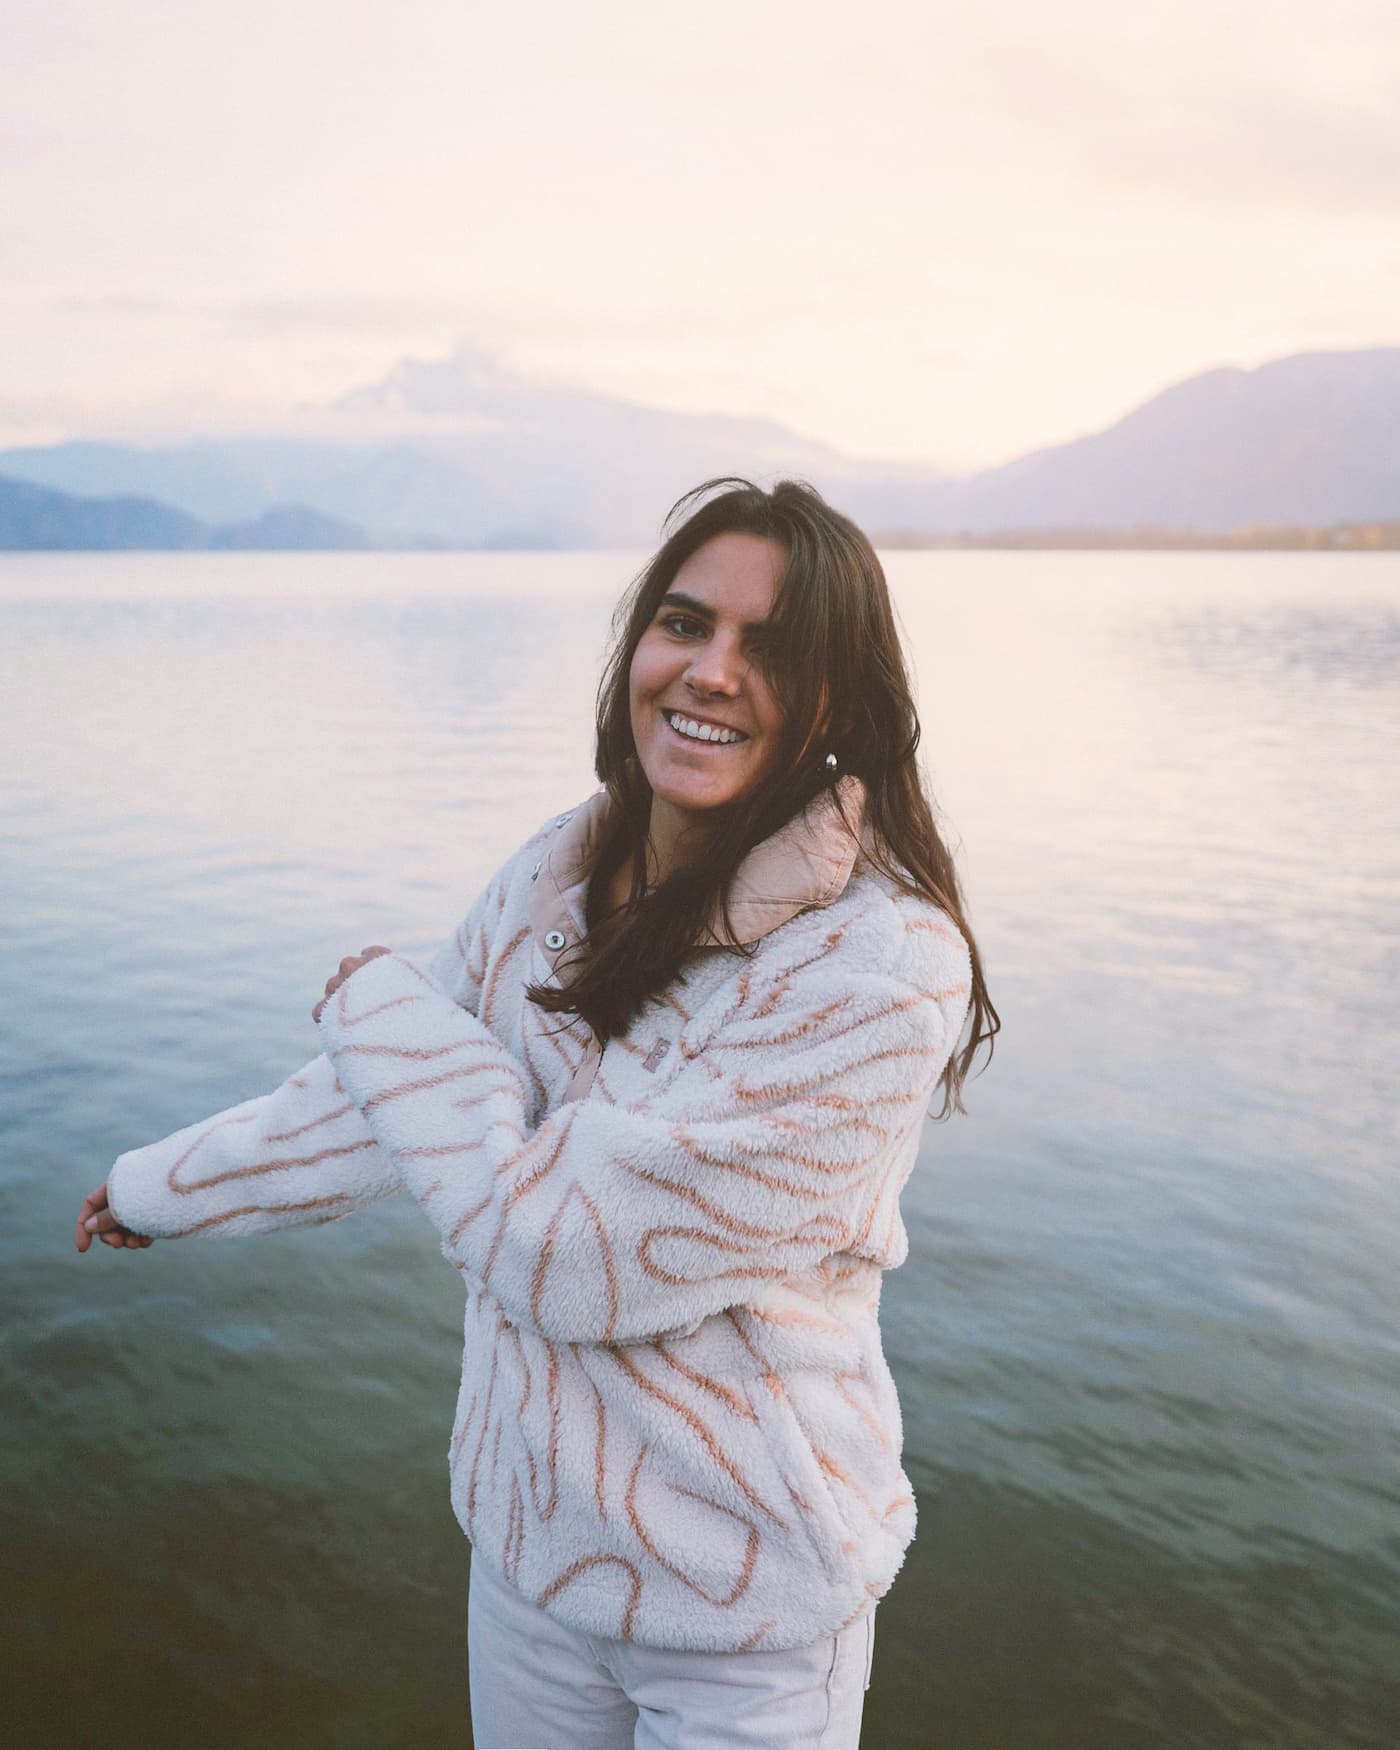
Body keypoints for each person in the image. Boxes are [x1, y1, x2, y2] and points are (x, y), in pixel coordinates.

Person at [74, 475, 999, 1749]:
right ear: (636, 648)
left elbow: (565, 1255)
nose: (710, 671)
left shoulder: (877, 968)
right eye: (684, 623)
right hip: (532, 1551)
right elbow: (395, 1106)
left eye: (770, 650)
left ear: (840, 702)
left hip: (746, 1612)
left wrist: (370, 1001)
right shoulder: (564, 867)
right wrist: (165, 1187)